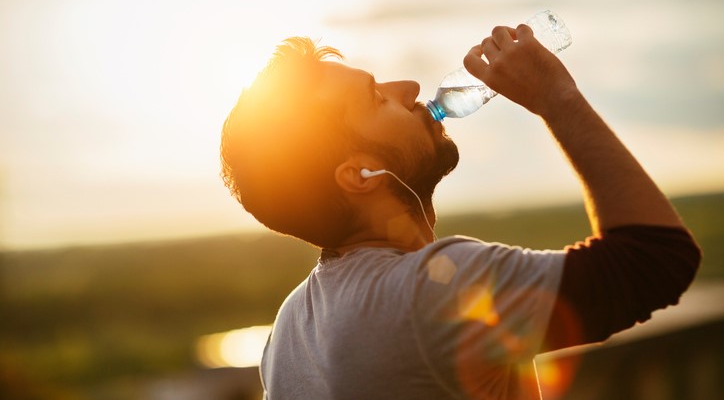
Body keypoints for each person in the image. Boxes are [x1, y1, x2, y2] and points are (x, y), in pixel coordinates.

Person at [220, 24, 701, 399]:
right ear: (359, 174)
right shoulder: (431, 291)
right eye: (376, 97)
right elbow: (653, 261)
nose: (408, 86)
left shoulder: (288, 330)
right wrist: (557, 97)